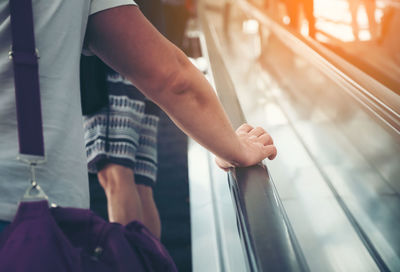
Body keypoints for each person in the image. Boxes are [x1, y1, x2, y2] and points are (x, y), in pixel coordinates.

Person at [0, 0, 277, 233]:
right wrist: (233, 147)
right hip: (26, 207)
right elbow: (171, 78)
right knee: (134, 178)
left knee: (119, 174)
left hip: (110, 75)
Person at [83, 0, 165, 238]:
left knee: (115, 173)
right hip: (147, 52)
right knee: (139, 181)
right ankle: (151, 263)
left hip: (109, 61)